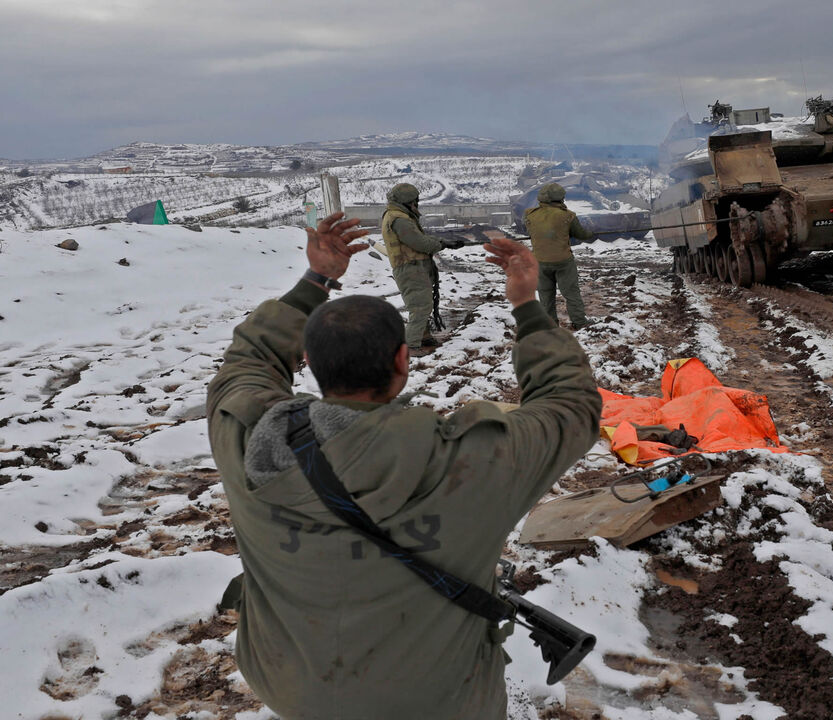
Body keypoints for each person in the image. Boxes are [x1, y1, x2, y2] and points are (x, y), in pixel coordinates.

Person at [206, 212, 602, 719]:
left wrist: (317, 279)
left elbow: (250, 357)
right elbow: (571, 405)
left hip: (292, 688)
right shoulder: (475, 462)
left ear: (307, 358)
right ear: (402, 361)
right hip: (440, 703)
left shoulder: (249, 441)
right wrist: (526, 304)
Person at [380, 183, 464, 357]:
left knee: (423, 303)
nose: (417, 204)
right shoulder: (400, 219)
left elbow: (419, 238)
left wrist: (443, 242)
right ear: (409, 201)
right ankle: (411, 345)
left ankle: (423, 336)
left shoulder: (400, 215)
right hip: (410, 268)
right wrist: (441, 244)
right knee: (420, 306)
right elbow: (419, 243)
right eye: (415, 201)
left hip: (414, 267)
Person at [524, 182, 594, 330]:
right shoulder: (568, 215)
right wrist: (592, 233)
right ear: (560, 198)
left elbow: (533, 232)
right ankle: (579, 323)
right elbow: (581, 234)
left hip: (539, 262)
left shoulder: (529, 214)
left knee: (545, 296)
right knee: (571, 294)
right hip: (563, 262)